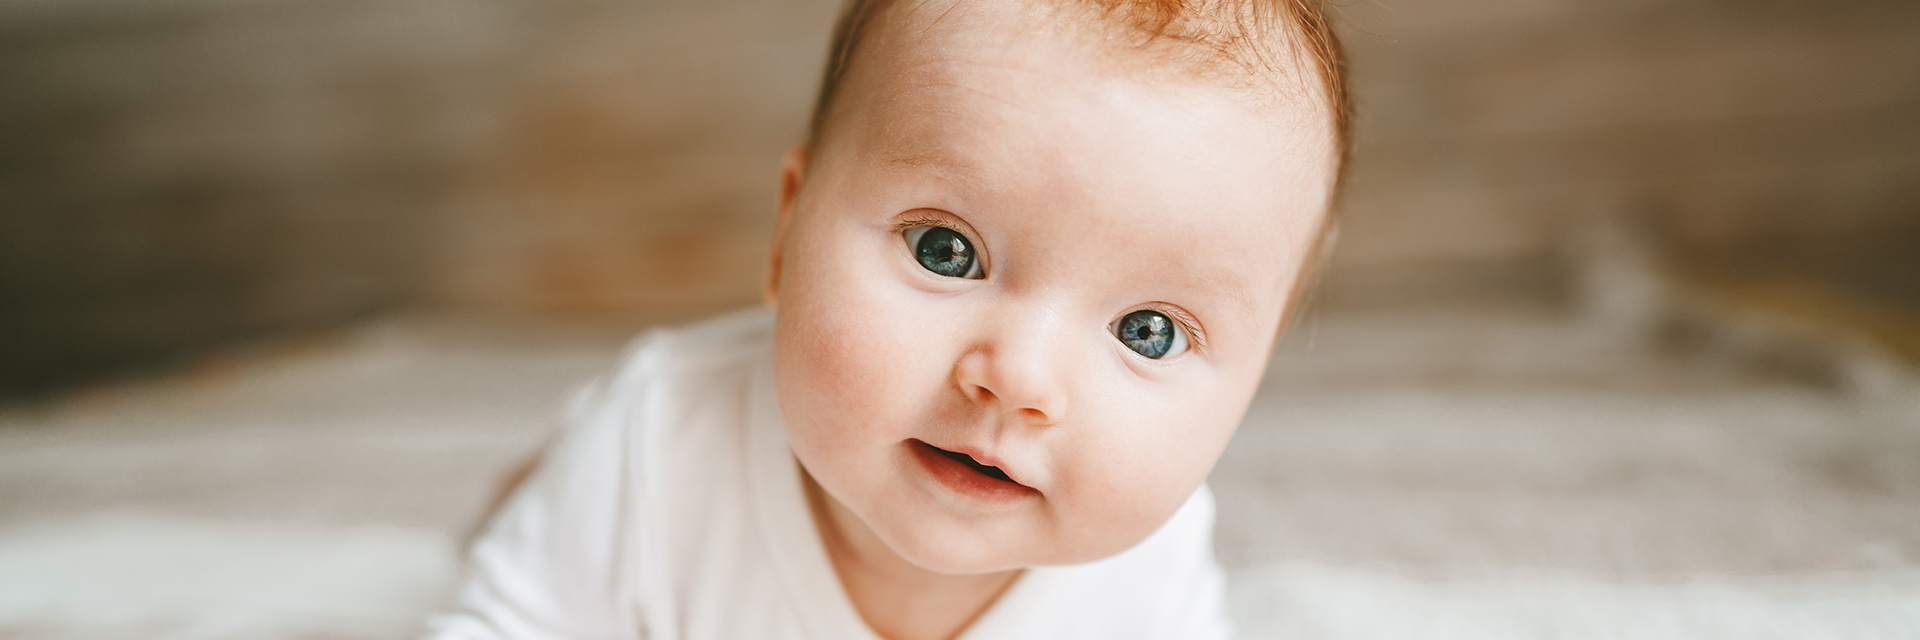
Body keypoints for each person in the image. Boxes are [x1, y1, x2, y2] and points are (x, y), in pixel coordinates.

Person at [426, 0, 1348, 637]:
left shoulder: (1151, 569)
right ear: (788, 232)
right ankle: (529, 502)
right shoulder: (658, 443)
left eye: (1148, 329)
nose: (1018, 380)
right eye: (946, 251)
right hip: (618, 506)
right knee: (548, 533)